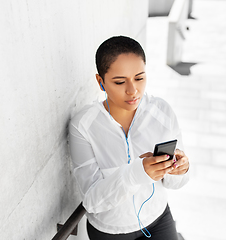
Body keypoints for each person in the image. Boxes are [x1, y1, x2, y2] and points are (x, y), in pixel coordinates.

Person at [69, 36, 190, 240]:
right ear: (101, 82)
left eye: (140, 78)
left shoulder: (161, 112)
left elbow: (177, 183)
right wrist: (137, 173)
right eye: (119, 82)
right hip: (109, 231)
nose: (133, 91)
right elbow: (91, 201)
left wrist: (180, 169)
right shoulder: (83, 126)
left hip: (158, 219)